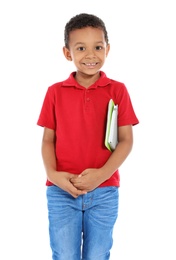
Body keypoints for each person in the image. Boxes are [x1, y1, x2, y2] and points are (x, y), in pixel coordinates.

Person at [37, 13, 139, 260]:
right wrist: (53, 175)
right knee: (64, 255)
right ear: (67, 53)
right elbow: (48, 140)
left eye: (98, 47)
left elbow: (126, 140)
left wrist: (101, 175)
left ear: (108, 49)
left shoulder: (118, 90)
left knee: (98, 255)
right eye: (81, 48)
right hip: (62, 190)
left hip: (104, 191)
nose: (91, 55)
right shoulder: (54, 92)